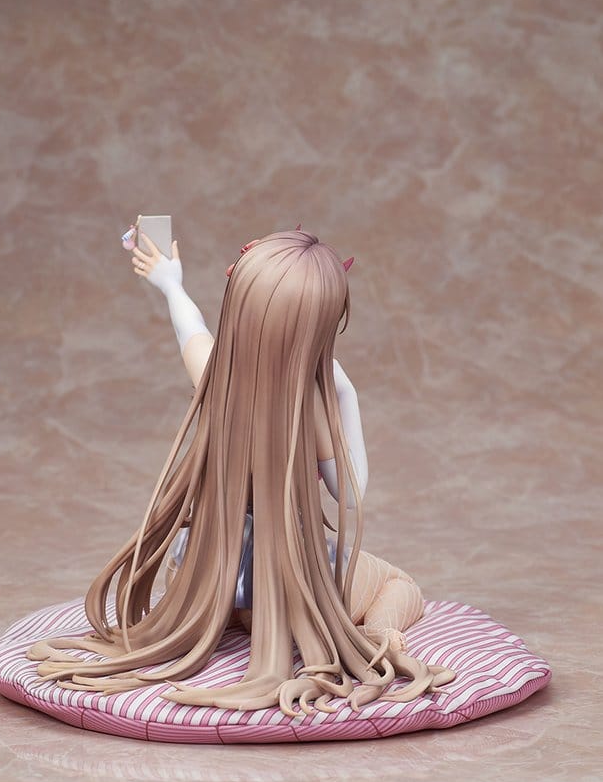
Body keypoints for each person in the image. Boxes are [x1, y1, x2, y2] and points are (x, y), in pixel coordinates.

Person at [26, 226, 456, 714]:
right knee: (400, 585)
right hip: (287, 579)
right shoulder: (313, 408)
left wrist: (170, 282)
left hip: (205, 571)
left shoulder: (214, 375)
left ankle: (234, 616)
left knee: (239, 589)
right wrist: (344, 392)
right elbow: (351, 495)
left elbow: (189, 325)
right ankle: (379, 637)